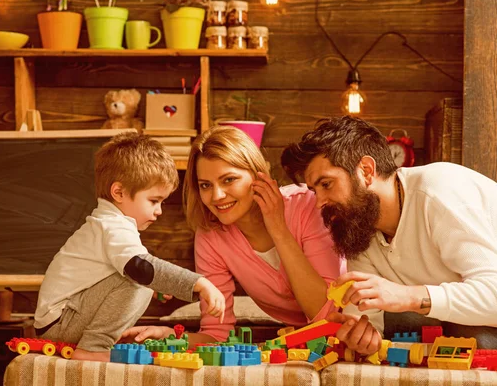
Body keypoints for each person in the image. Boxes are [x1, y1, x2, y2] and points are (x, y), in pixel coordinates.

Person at [281, 115, 497, 356]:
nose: (319, 203)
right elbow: (367, 322)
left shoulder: (439, 191)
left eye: (327, 184)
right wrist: (362, 337)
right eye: (314, 190)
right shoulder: (359, 230)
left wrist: (406, 296)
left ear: (366, 171)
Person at [121, 126, 344, 346]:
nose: (217, 196)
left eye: (229, 180)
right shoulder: (211, 236)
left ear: (258, 174)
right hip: (306, 342)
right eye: (206, 185)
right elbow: (217, 333)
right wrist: (170, 338)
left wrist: (278, 229)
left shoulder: (308, 204)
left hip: (355, 325)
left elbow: (327, 313)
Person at [34, 133, 225, 362]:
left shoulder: (108, 222)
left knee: (142, 279)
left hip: (61, 319)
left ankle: (94, 344)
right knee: (140, 278)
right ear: (119, 192)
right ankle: (93, 347)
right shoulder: (113, 226)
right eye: (154, 201)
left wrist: (162, 284)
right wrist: (198, 282)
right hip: (62, 322)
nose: (159, 211)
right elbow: (141, 268)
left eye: (162, 202)